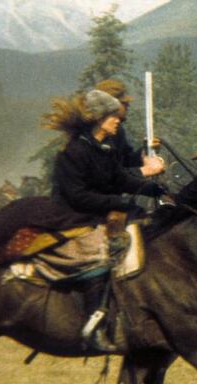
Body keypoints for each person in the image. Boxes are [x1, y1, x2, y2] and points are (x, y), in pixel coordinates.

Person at [48, 88, 167, 350]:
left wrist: (150, 188)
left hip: (97, 210)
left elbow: (118, 178)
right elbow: (78, 196)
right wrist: (118, 202)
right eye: (114, 116)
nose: (119, 120)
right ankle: (95, 319)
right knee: (104, 250)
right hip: (73, 216)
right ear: (99, 118)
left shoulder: (104, 147)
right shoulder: (73, 151)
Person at [95, 79, 165, 179]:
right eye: (124, 102)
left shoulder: (118, 131)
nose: (128, 105)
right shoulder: (94, 134)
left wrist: (145, 151)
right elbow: (107, 177)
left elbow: (127, 162)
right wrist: (145, 170)